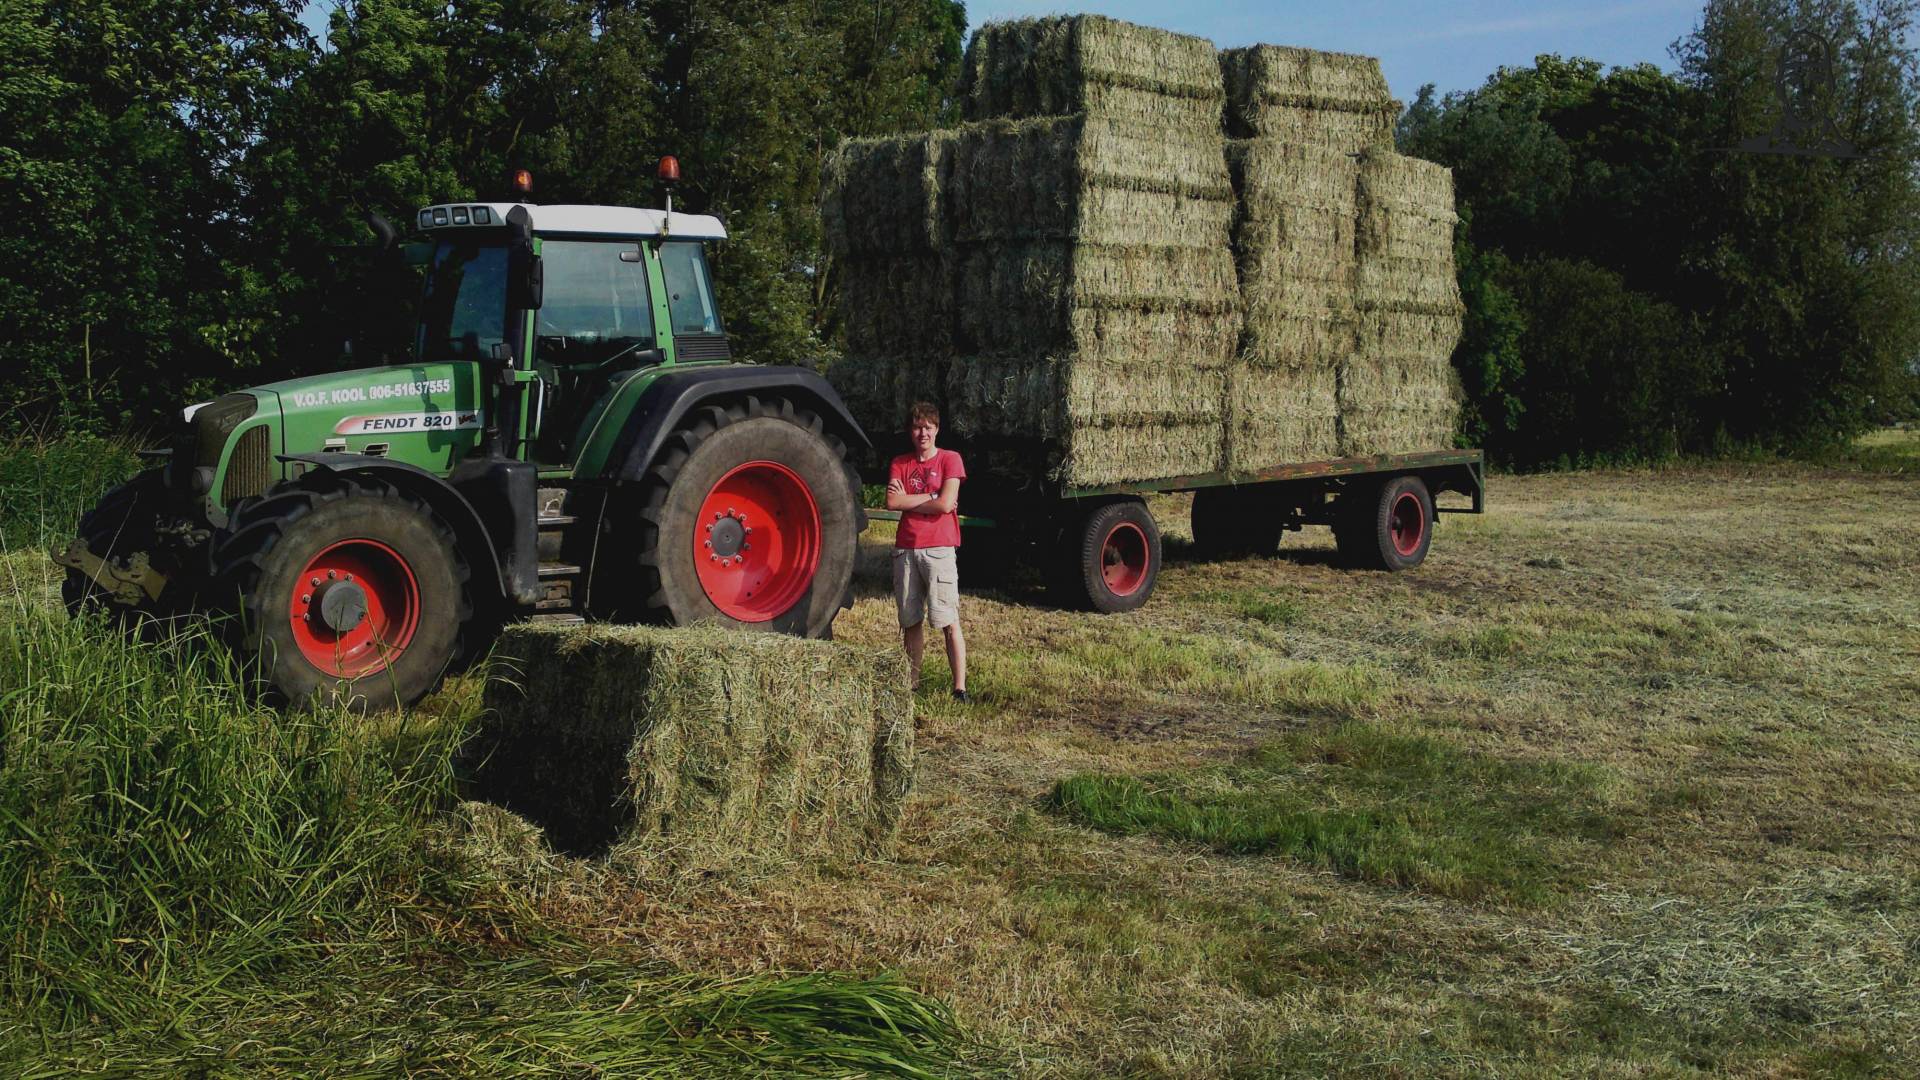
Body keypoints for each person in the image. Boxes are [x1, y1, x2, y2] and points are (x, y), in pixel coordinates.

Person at [886, 401, 968, 702]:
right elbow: (892, 503)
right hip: (906, 549)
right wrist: (932, 495)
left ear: (937, 430)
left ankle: (959, 688)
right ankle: (912, 684)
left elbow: (946, 504)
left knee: (947, 619)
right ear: (911, 431)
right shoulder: (900, 463)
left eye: (928, 427)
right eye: (918, 427)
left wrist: (912, 498)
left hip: (938, 549)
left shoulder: (950, 459)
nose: (923, 433)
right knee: (910, 621)